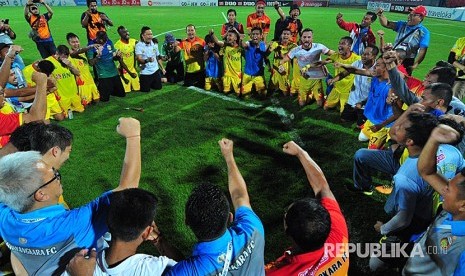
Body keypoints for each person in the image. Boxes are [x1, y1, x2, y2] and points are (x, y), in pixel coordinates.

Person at [0, 117, 141, 275]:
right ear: (41, 194)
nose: (56, 173)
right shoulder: (72, 225)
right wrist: (133, 136)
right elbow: (127, 189)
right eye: (54, 175)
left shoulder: (5, 216)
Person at [166, 138, 265, 275]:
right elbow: (239, 195)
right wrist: (229, 156)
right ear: (230, 217)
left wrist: (159, 241)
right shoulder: (253, 228)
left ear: (187, 223)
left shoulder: (185, 271)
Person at [265, 141, 349, 275]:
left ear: (287, 231)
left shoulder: (277, 272)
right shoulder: (338, 234)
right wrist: (300, 152)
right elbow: (322, 187)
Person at [64, 188, 184, 276]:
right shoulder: (154, 269)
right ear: (147, 232)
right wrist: (159, 241)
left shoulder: (79, 267)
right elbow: (189, 269)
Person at [403, 124, 465, 275]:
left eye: (448, 189)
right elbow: (427, 172)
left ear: (463, 206)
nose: (443, 189)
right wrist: (434, 140)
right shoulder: (455, 205)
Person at [280, 28, 334, 107]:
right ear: (301, 38)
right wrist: (281, 66)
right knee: (301, 104)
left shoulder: (319, 47)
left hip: (316, 80)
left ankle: (314, 94)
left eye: (309, 37)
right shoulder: (295, 50)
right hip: (305, 78)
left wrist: (339, 57)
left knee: (320, 104)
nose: (306, 39)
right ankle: (310, 94)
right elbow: (283, 60)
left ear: (312, 38)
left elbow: (333, 54)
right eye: (304, 37)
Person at [331, 45, 378, 128]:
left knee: (360, 126)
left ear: (374, 56)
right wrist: (333, 80)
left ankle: (365, 115)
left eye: (367, 54)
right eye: (363, 54)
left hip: (366, 103)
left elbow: (376, 92)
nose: (363, 56)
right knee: (343, 120)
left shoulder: (377, 69)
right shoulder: (357, 63)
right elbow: (347, 72)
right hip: (353, 100)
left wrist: (363, 102)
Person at [377, 6, 430, 75]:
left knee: (401, 82)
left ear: (421, 18)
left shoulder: (423, 32)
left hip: (407, 60)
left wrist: (415, 65)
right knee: (386, 76)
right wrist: (380, 15)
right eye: (409, 14)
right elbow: (386, 24)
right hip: (394, 56)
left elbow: (423, 50)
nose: (409, 17)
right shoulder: (402, 24)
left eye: (413, 15)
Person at [323, 36, 361, 112]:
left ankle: (345, 103)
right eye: (339, 43)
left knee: (343, 117)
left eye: (343, 44)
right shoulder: (336, 56)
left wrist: (342, 65)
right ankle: (336, 100)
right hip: (336, 89)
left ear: (349, 46)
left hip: (347, 92)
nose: (340, 46)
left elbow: (351, 69)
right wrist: (307, 66)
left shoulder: (356, 59)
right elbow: (323, 62)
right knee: (325, 107)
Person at [46, 45, 85, 116]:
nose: (65, 59)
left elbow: (78, 73)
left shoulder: (69, 59)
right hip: (62, 95)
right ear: (57, 53)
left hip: (73, 92)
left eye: (66, 57)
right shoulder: (49, 61)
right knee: (65, 115)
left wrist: (70, 65)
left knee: (81, 110)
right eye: (63, 57)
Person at [88, 31, 127, 102]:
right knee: (105, 99)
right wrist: (98, 56)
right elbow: (91, 63)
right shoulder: (91, 45)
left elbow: (113, 56)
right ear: (97, 39)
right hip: (103, 74)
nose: (104, 43)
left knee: (121, 94)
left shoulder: (109, 42)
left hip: (114, 72)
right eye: (102, 42)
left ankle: (107, 87)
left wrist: (117, 56)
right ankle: (99, 87)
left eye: (105, 41)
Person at [67, 32, 100, 106]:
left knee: (97, 101)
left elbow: (91, 64)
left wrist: (98, 56)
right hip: (82, 84)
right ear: (69, 43)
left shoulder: (83, 52)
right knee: (86, 105)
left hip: (90, 80)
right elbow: (76, 52)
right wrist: (91, 46)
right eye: (73, 42)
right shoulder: (70, 53)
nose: (76, 44)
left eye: (77, 41)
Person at [211, 29, 243, 95]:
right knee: (225, 91)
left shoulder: (239, 48)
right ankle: (224, 84)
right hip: (227, 74)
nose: (228, 37)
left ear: (235, 38)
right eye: (227, 35)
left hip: (237, 75)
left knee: (238, 93)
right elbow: (217, 41)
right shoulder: (225, 45)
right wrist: (212, 34)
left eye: (230, 35)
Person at [267, 28, 297, 96]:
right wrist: (269, 67)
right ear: (281, 35)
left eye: (287, 34)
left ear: (290, 36)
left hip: (284, 72)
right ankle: (277, 87)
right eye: (284, 34)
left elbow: (286, 57)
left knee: (285, 93)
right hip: (275, 70)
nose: (285, 36)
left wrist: (279, 51)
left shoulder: (293, 46)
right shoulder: (275, 43)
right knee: (269, 91)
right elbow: (266, 55)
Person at [135, 26, 164, 92]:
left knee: (158, 87)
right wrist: (147, 60)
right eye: (148, 34)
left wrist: (162, 68)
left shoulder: (154, 43)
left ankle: (160, 78)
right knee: (145, 90)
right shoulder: (139, 45)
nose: (150, 36)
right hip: (145, 72)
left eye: (151, 34)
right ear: (143, 35)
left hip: (155, 70)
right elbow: (139, 59)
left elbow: (158, 57)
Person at [242, 27, 268, 98]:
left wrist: (269, 67)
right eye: (253, 34)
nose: (255, 36)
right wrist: (240, 39)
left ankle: (255, 86)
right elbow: (243, 45)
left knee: (263, 95)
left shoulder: (264, 45)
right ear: (251, 36)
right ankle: (252, 87)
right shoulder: (248, 43)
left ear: (261, 35)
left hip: (258, 75)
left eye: (257, 34)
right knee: (245, 95)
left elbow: (266, 58)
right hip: (247, 74)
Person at [115, 26, 140, 93]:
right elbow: (120, 62)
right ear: (120, 34)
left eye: (127, 31)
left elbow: (141, 44)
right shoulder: (118, 45)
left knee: (137, 88)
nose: (127, 33)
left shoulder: (133, 41)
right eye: (124, 32)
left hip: (133, 70)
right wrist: (130, 73)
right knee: (126, 91)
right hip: (124, 71)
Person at [448, 36, 465, 101]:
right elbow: (450, 59)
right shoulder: (461, 40)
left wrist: (459, 73)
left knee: (453, 102)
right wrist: (462, 67)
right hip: (452, 76)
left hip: (462, 80)